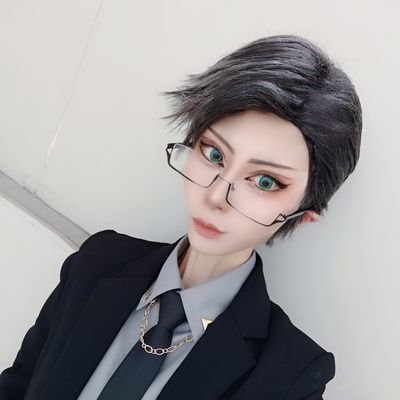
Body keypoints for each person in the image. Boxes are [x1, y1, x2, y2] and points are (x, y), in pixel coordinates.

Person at [0, 34, 362, 399]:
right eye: (214, 154)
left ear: (303, 216)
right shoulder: (96, 264)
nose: (215, 197)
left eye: (264, 181)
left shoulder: (291, 376)